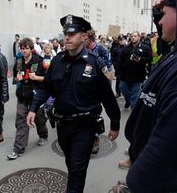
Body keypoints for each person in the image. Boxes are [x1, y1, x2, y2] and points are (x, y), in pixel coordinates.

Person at [27, 14, 120, 193]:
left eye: (71, 34)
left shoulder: (94, 63)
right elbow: (46, 87)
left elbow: (107, 97)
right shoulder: (57, 61)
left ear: (84, 37)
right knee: (71, 163)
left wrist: (114, 124)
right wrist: (33, 108)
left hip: (85, 127)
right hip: (62, 126)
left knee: (77, 169)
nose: (66, 37)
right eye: (65, 34)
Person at [120, 0, 177, 193]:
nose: (159, 21)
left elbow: (170, 144)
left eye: (164, 15)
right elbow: (165, 39)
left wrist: (135, 183)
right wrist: (158, 10)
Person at [7, 38, 47, 160]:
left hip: (37, 95)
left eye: (26, 48)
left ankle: (43, 135)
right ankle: (18, 149)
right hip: (22, 95)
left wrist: (37, 77)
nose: (24, 51)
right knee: (21, 120)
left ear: (31, 48)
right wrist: (16, 79)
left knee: (38, 118)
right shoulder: (18, 61)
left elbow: (48, 79)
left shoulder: (39, 61)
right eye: (22, 48)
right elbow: (15, 77)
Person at [118, 31, 152, 109]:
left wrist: (140, 59)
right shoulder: (126, 48)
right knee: (123, 88)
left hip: (138, 75)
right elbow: (120, 60)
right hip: (125, 75)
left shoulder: (145, 47)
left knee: (135, 94)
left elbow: (150, 59)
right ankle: (128, 100)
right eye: (132, 36)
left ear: (139, 37)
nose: (133, 38)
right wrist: (118, 72)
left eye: (135, 36)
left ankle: (133, 111)